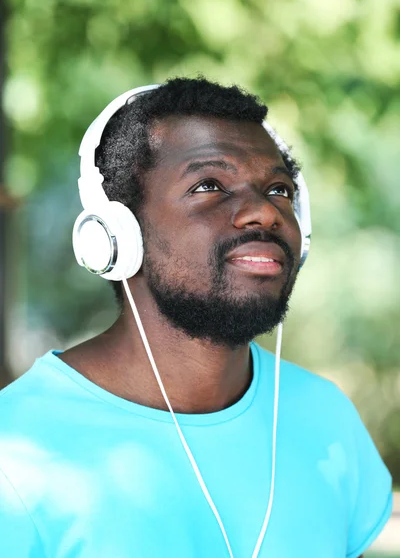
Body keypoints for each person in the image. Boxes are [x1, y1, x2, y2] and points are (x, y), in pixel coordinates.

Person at [0, 77, 392, 557]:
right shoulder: (15, 452)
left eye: (278, 189)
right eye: (209, 185)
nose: (264, 213)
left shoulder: (327, 418)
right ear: (116, 235)